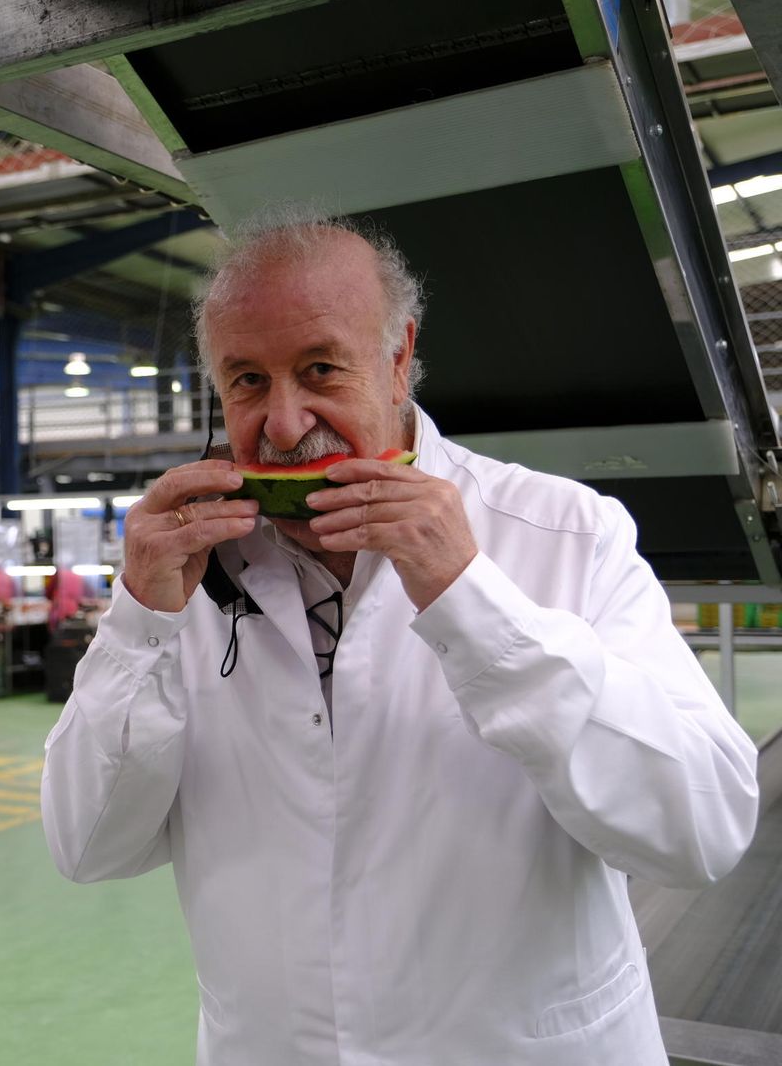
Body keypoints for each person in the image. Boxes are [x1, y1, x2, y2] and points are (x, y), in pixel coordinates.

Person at [40, 208, 759, 1066]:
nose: (280, 422)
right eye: (245, 381)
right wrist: (140, 623)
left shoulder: (565, 533)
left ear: (398, 356)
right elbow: (87, 845)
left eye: (319, 368)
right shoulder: (188, 573)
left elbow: (703, 827)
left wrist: (470, 598)